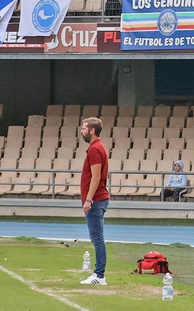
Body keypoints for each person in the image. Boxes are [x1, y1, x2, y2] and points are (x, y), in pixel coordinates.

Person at [78, 116, 110, 285]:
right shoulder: (96, 147)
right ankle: (99, 273)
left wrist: (89, 200)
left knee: (97, 238)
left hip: (96, 200)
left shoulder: (95, 149)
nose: (81, 131)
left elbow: (96, 177)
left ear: (92, 130)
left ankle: (99, 275)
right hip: (97, 199)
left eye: (84, 128)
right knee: (97, 237)